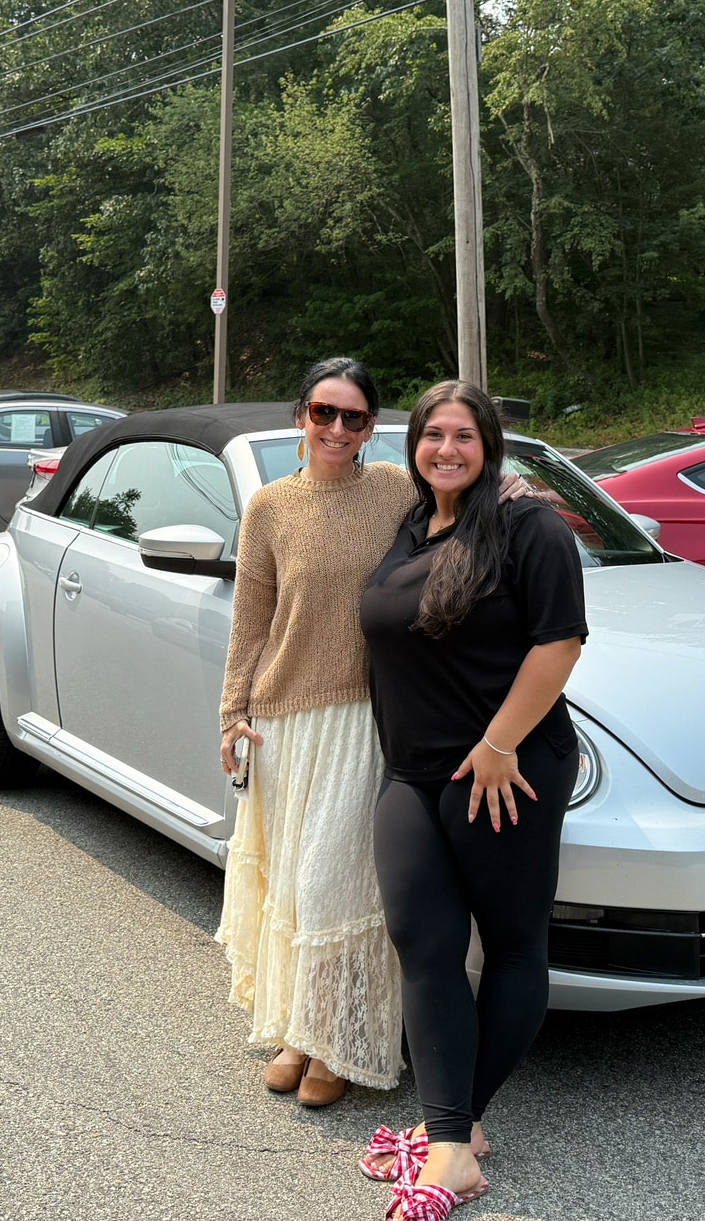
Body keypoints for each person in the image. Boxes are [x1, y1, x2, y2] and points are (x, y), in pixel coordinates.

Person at [359, 381, 586, 1219]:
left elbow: (560, 643)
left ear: (489, 444)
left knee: (514, 946)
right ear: (414, 446)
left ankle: (453, 1139)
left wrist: (498, 744)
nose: (446, 448)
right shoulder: (411, 525)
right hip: (413, 773)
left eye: (463, 435)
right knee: (424, 943)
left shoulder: (530, 528)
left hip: (504, 770)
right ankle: (457, 1134)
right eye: (432, 435)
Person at [214, 357, 414, 1106]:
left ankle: (334, 1039)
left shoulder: (396, 491)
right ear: (301, 416)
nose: (336, 428)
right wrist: (233, 713)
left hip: (363, 718)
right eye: (323, 412)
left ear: (371, 428)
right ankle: (299, 1031)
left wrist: (516, 491)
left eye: (353, 417)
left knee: (335, 884)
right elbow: (251, 621)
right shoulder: (269, 507)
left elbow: (465, 503)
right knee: (295, 884)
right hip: (282, 725)